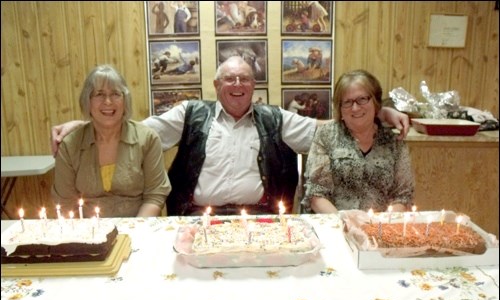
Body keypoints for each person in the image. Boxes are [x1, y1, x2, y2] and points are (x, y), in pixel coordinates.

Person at [51, 57, 410, 216]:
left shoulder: (275, 118)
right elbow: (137, 130)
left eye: (245, 79)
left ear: (254, 87)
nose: (237, 85)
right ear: (216, 85)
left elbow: (328, 128)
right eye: (229, 79)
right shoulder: (189, 114)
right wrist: (84, 126)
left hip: (263, 219)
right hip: (196, 218)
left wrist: (378, 110)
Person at [52, 65, 171, 218]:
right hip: (87, 233)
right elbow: (65, 202)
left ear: (125, 100)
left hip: (138, 229)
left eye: (115, 94)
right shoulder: (69, 145)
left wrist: (133, 232)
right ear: (87, 101)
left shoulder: (148, 139)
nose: (108, 101)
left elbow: (155, 195)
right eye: (99, 94)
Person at [302, 69, 415, 214]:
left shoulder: (394, 142)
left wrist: (380, 226)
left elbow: (403, 196)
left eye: (362, 99)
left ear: (375, 102)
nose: (355, 108)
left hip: (380, 226)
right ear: (340, 108)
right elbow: (316, 194)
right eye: (347, 102)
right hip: (335, 224)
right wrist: (345, 224)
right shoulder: (326, 135)